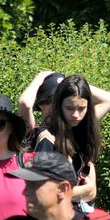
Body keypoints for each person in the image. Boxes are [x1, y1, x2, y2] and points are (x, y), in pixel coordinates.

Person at [34, 75, 101, 211]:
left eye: (81, 108)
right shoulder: (47, 139)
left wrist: (84, 191)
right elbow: (42, 193)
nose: (76, 114)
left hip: (76, 214)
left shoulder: (82, 136)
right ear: (59, 106)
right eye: (69, 108)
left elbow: (92, 193)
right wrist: (82, 190)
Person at [18, 71, 110, 140]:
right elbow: (25, 103)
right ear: (41, 104)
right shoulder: (32, 132)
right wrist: (39, 79)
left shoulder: (74, 127)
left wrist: (73, 84)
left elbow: (109, 99)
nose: (59, 105)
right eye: (53, 101)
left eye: (62, 100)